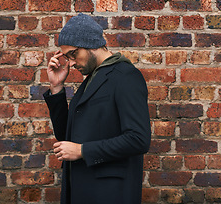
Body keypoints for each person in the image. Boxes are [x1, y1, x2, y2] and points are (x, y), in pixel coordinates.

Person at [43, 13, 151, 204]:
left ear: (91, 44)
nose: (72, 62)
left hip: (110, 192)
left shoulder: (125, 76)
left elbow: (139, 139)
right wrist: (57, 88)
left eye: (73, 54)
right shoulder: (92, 80)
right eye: (67, 57)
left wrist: (83, 151)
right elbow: (67, 137)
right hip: (82, 188)